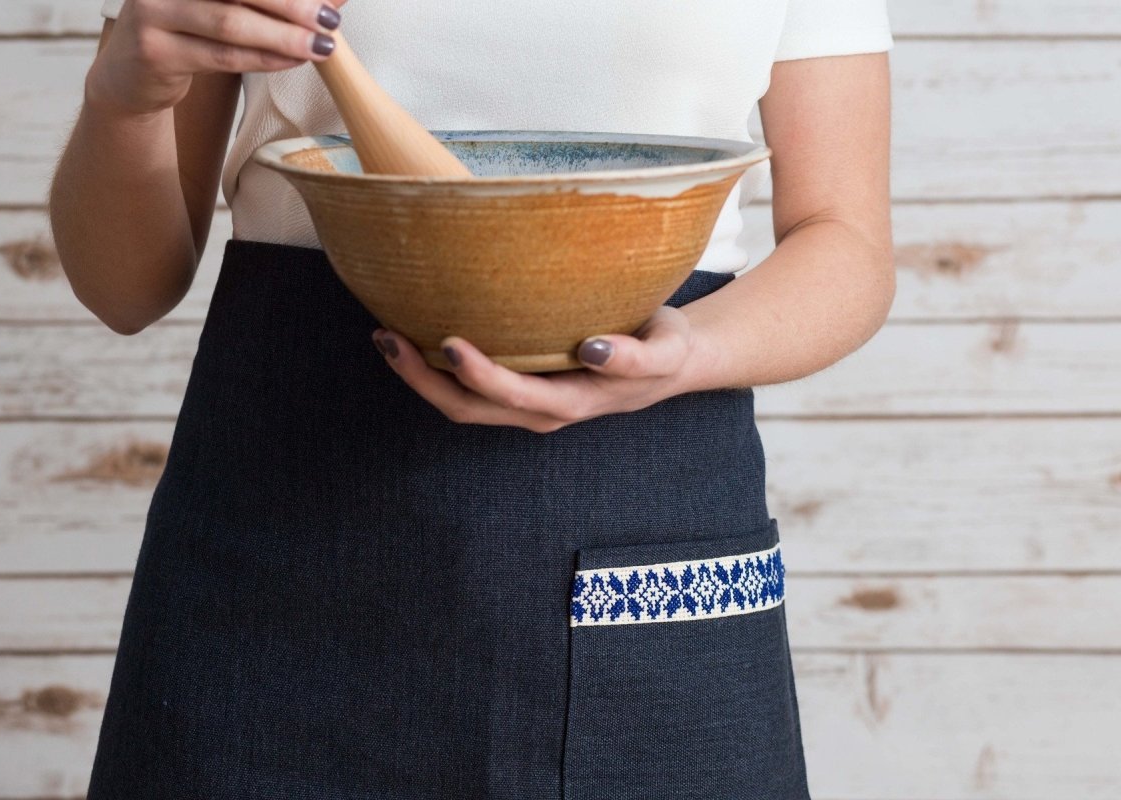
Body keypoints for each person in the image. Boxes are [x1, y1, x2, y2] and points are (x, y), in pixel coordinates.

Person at [49, 1, 894, 797]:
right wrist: (122, 101)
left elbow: (845, 241)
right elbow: (127, 289)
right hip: (279, 535)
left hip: (645, 505)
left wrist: (688, 353)